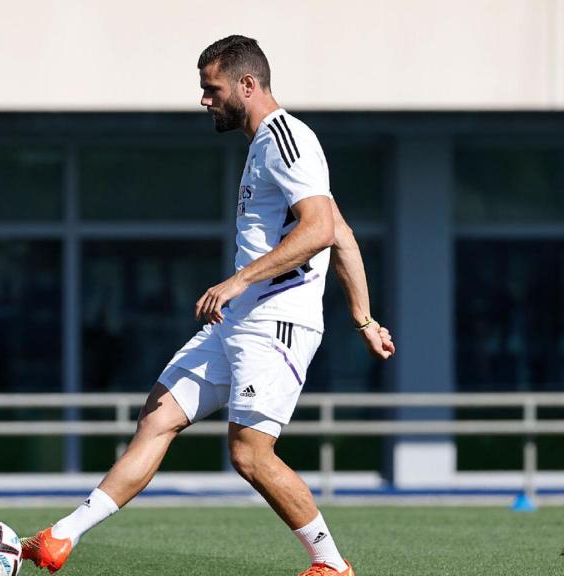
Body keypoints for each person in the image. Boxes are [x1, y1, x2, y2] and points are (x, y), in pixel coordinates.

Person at [22, 36, 396, 576]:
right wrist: (365, 319)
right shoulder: (264, 146)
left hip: (276, 322)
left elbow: (319, 230)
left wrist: (241, 279)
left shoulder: (287, 138)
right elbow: (342, 233)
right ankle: (61, 537)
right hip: (238, 323)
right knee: (157, 417)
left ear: (247, 84)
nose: (205, 100)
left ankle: (330, 564)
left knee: (249, 453)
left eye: (212, 89)